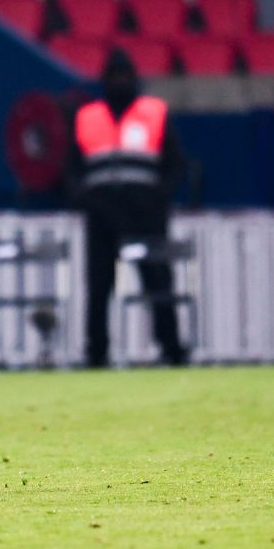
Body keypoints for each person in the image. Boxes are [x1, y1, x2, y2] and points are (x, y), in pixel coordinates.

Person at [66, 49, 187, 368]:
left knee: (158, 280)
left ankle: (172, 348)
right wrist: (85, 198)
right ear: (104, 81)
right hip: (101, 212)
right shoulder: (87, 116)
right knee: (99, 284)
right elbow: (71, 169)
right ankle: (96, 352)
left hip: (145, 213)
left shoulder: (154, 113)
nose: (120, 83)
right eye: (114, 77)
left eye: (125, 76)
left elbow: (174, 165)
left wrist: (158, 198)